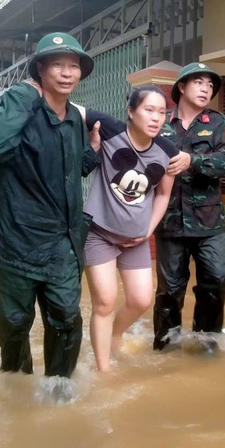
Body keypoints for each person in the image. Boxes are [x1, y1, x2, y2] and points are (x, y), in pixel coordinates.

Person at [0, 32, 100, 384]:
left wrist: (92, 151)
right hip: (15, 240)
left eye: (73, 66)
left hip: (61, 243)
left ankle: (58, 391)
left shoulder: (75, 118)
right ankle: (16, 389)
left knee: (66, 319)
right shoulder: (19, 103)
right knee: (14, 323)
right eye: (57, 64)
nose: (66, 73)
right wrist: (25, 93)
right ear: (40, 68)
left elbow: (64, 171)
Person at [83, 86, 178, 372]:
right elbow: (70, 108)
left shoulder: (167, 152)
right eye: (149, 110)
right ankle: (104, 370)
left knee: (141, 300)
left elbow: (163, 195)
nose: (156, 118)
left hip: (136, 238)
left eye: (162, 112)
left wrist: (147, 230)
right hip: (99, 232)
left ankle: (114, 333)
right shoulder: (111, 133)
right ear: (131, 111)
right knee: (105, 301)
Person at [153, 62, 225, 353]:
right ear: (182, 87)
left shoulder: (217, 123)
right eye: (199, 82)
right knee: (169, 292)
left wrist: (194, 161)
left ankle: (206, 343)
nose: (205, 88)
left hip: (209, 223)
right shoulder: (160, 124)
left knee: (215, 282)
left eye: (210, 85)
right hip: (170, 223)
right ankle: (165, 347)